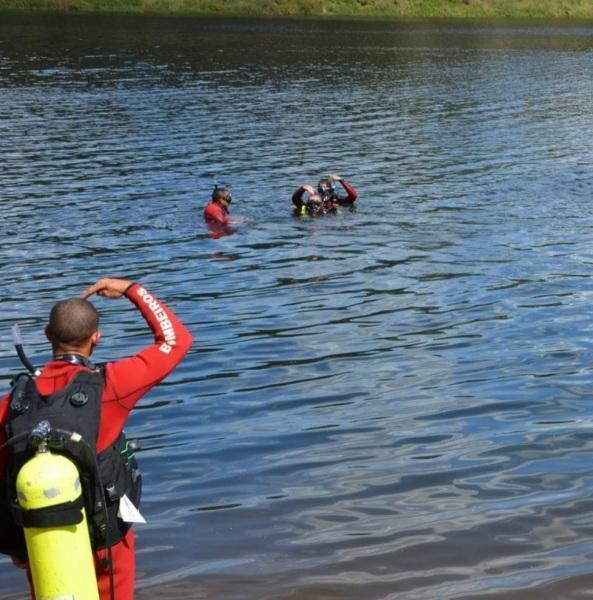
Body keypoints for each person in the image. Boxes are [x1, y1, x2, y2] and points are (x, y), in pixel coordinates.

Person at [0, 277, 192, 600]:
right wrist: (132, 290)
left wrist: (19, 549)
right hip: (107, 546)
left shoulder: (13, 403)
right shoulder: (110, 387)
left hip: (43, 539)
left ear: (48, 336)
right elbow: (176, 340)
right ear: (96, 338)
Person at [292, 173, 358, 216]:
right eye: (321, 190)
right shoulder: (311, 204)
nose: (324, 193)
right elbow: (295, 200)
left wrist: (341, 180)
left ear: (331, 190)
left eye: (326, 189)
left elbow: (353, 196)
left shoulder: (336, 201)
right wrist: (303, 188)